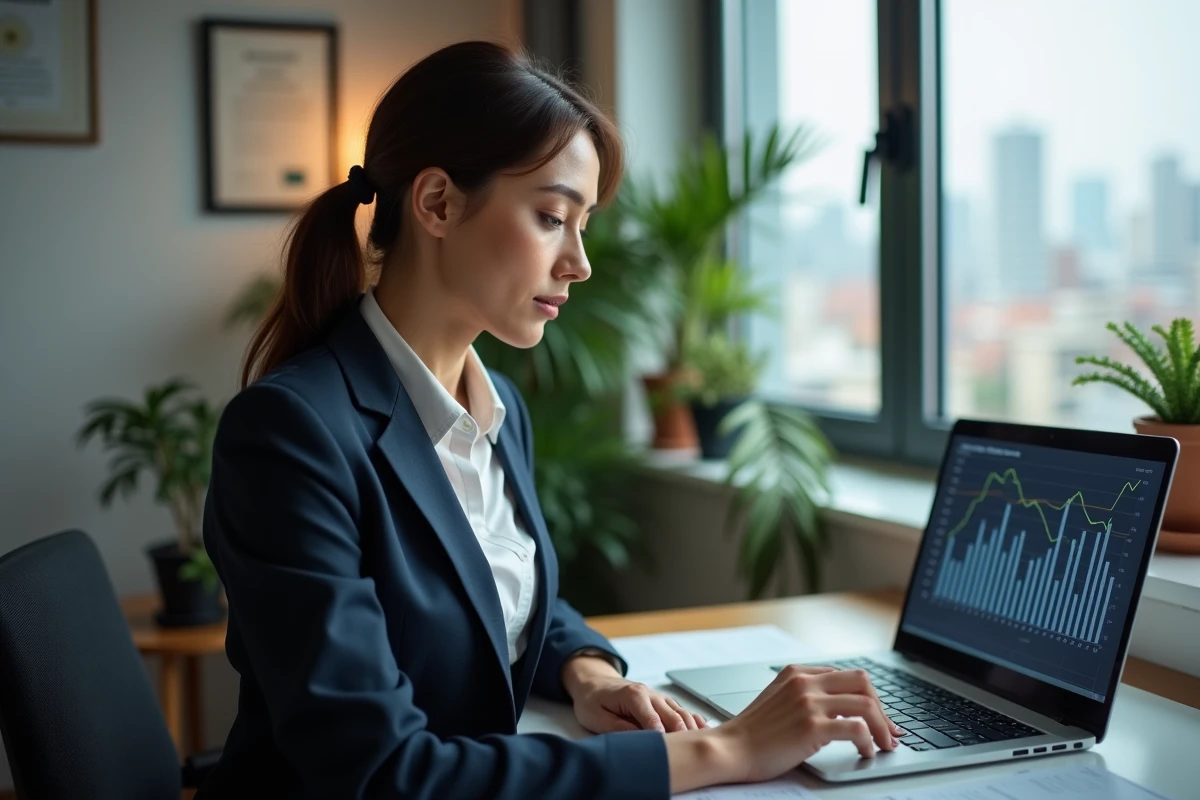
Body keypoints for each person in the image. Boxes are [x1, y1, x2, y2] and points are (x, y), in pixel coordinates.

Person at [197, 40, 902, 799]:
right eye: (551, 217)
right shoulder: (290, 435)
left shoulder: (499, 408)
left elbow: (498, 588)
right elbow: (385, 774)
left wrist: (586, 670)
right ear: (437, 203)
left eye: (584, 224)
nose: (579, 262)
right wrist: (728, 750)